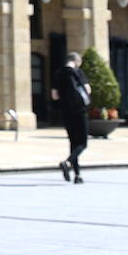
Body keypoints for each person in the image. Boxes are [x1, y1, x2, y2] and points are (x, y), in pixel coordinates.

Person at [50, 51, 90, 184]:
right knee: (82, 143)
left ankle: (77, 175)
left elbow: (55, 96)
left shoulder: (57, 74)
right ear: (77, 62)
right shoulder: (78, 72)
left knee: (73, 142)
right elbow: (87, 90)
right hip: (80, 111)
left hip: (66, 111)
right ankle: (67, 163)